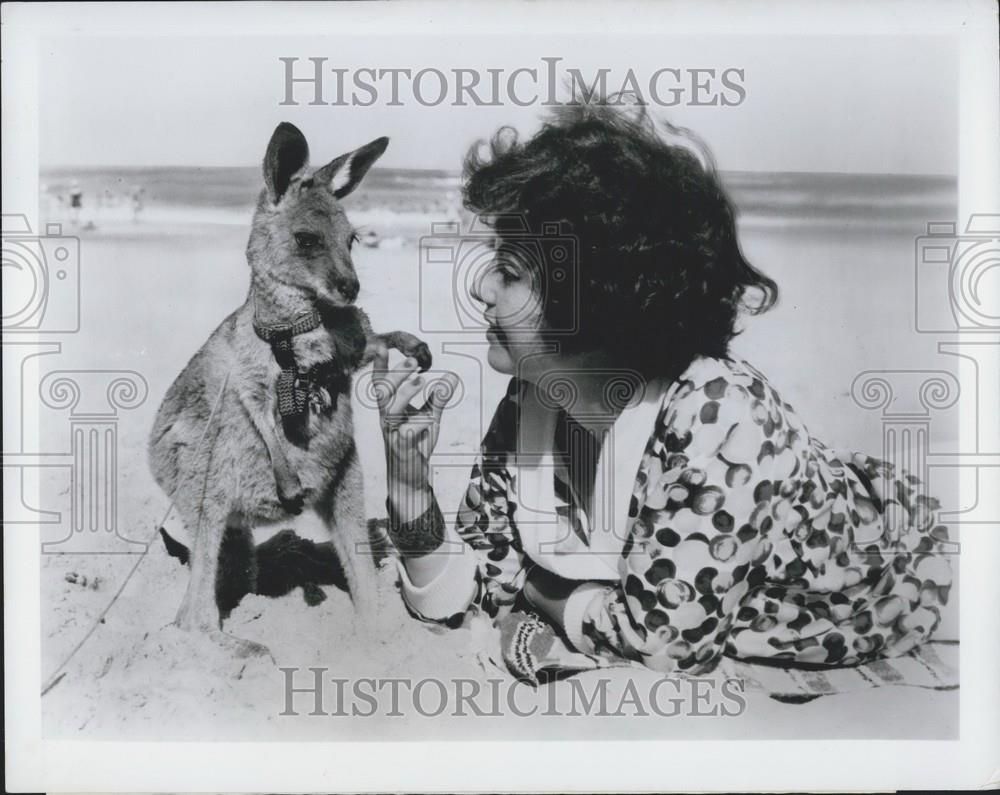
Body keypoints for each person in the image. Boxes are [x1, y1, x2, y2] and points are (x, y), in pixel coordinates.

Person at [373, 101, 952, 684]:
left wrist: (540, 589)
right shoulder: (535, 397)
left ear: (595, 298)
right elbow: (475, 587)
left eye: (511, 269)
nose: (480, 286)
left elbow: (665, 648)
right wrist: (408, 485)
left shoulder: (720, 417)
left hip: (880, 577)